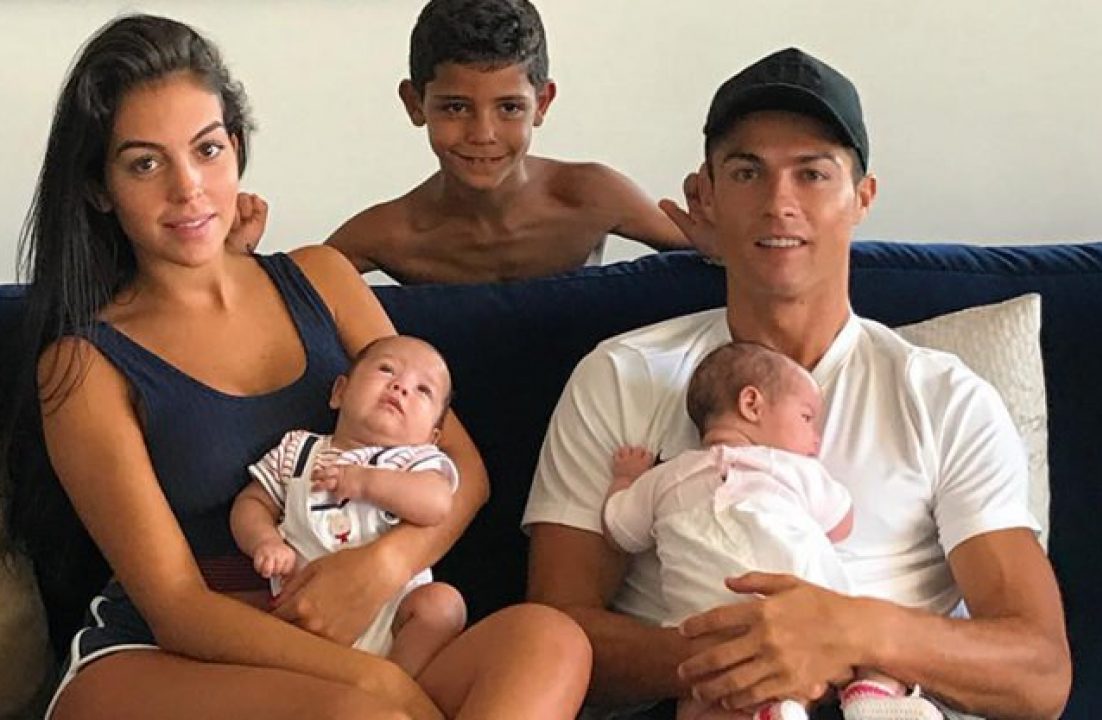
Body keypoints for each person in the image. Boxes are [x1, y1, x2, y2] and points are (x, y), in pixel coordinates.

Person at [11, 14, 589, 719]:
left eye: (207, 149)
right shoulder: (83, 365)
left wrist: (380, 569)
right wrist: (381, 684)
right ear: (99, 187)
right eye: (145, 164)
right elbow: (178, 607)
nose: (189, 189)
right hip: (168, 660)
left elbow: (461, 467)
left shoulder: (323, 277)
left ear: (237, 147)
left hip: (361, 622)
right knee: (360, 715)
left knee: (549, 641)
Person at [524, 47, 1071, 720]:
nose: (779, 203)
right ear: (705, 197)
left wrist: (848, 632)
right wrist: (744, 654)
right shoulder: (620, 375)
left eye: (812, 174)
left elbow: (1040, 671)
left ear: (862, 198)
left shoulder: (942, 398)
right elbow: (551, 634)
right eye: (747, 172)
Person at [603, 342, 937, 720]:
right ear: (752, 404)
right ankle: (869, 693)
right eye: (807, 418)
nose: (816, 439)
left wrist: (626, 479)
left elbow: (619, 530)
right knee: (877, 642)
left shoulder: (665, 479)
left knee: (705, 703)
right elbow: (841, 523)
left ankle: (775, 713)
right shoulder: (792, 470)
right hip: (818, 628)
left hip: (714, 642)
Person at [321, 0, 711, 284]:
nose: (482, 134)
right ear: (414, 103)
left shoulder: (591, 196)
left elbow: (719, 257)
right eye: (456, 107)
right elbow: (292, 294)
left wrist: (726, 230)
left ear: (542, 103)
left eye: (509, 108)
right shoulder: (390, 234)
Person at [231, 335, 467, 679]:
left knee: (443, 606)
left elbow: (437, 504)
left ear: (431, 437)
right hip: (308, 613)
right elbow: (252, 502)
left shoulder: (417, 462)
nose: (401, 387)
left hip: (395, 615)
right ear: (339, 392)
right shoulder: (298, 450)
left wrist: (364, 482)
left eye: (423, 390)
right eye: (386, 369)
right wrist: (264, 541)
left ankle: (397, 684)